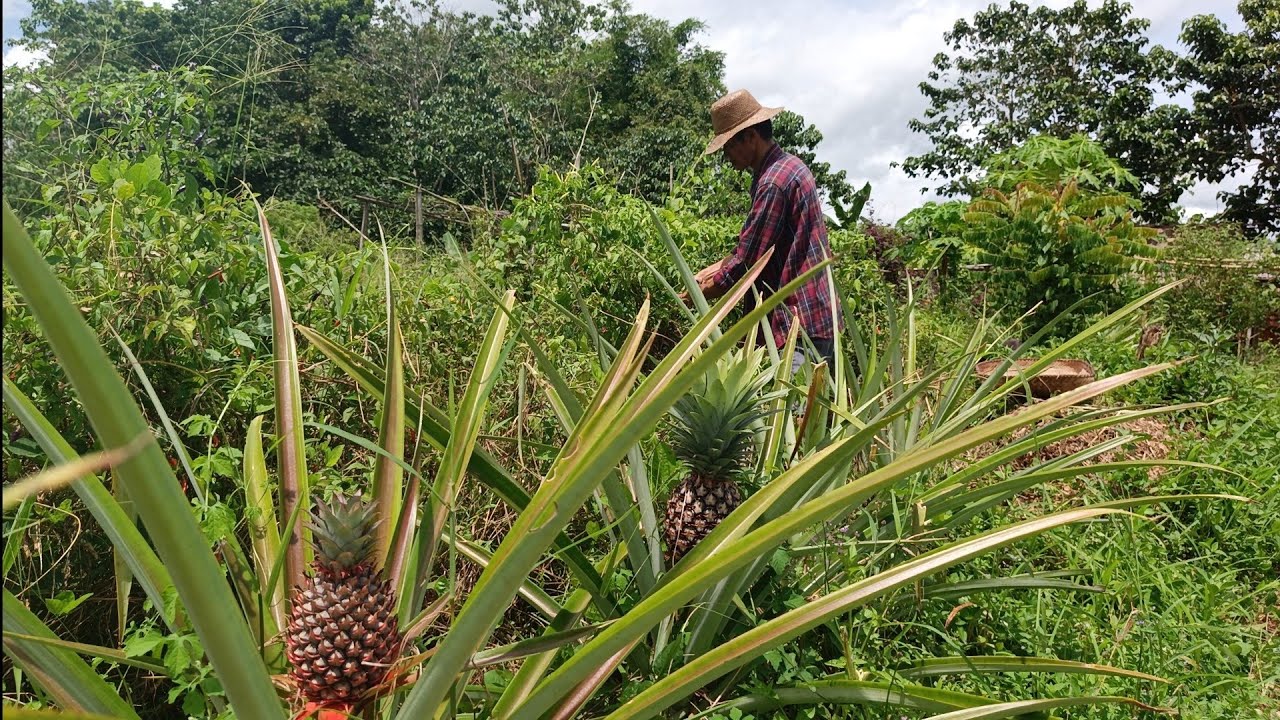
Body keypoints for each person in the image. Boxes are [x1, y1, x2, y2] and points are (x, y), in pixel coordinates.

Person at [689, 89, 842, 371]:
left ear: (750, 136)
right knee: (817, 401)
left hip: (796, 327)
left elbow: (746, 263)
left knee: (791, 401)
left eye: (728, 146)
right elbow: (751, 249)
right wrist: (703, 275)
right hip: (816, 318)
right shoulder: (790, 166)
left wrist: (695, 294)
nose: (726, 155)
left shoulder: (773, 183)